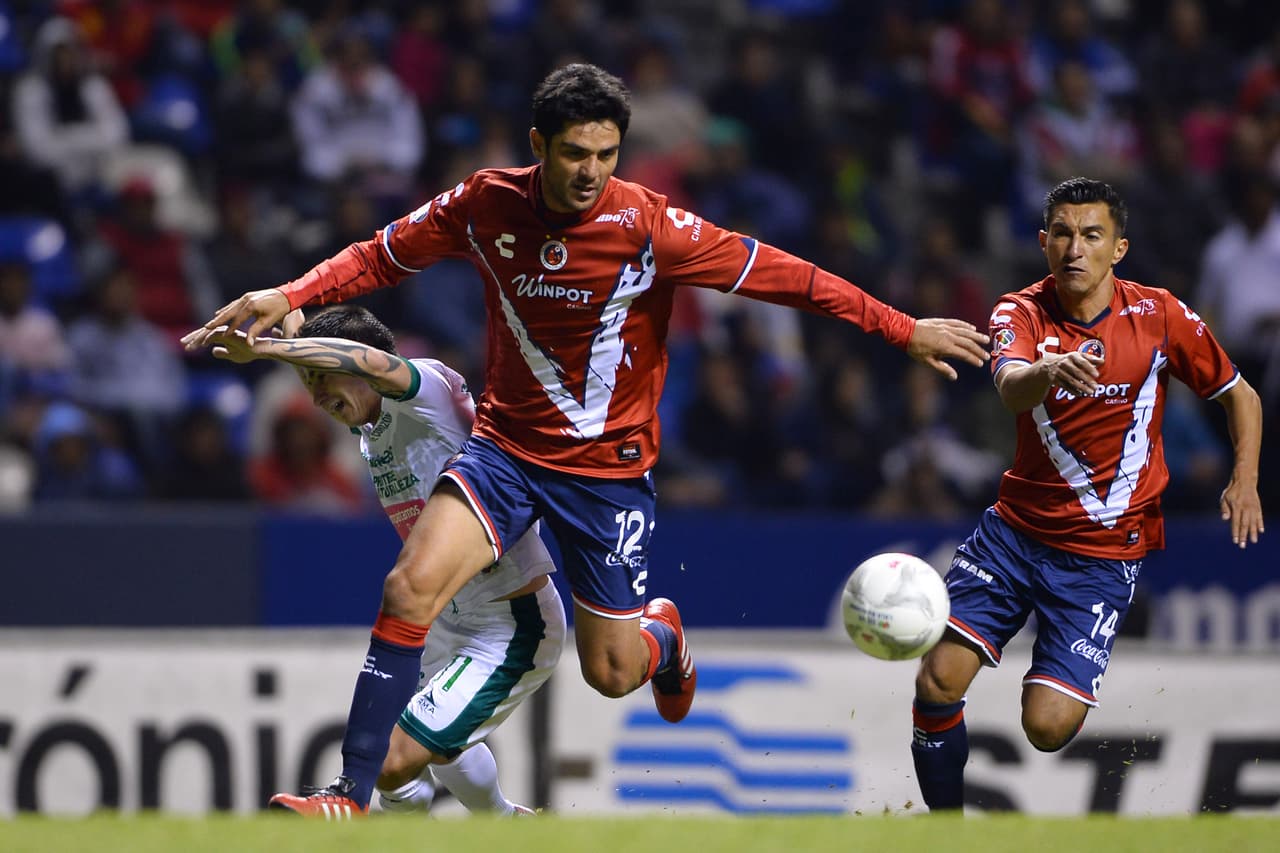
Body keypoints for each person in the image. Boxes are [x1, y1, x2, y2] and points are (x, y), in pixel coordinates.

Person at [184, 62, 990, 817]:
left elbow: (787, 275)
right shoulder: (485, 203)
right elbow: (381, 255)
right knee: (407, 588)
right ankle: (348, 794)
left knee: (611, 672)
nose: (590, 171)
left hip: (607, 475)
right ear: (538, 145)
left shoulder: (651, 226)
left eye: (607, 153)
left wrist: (902, 327)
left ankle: (661, 632)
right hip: (504, 450)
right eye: (574, 152)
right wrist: (288, 292)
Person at [909, 177, 1265, 812]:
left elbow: (1241, 394)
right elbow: (1011, 384)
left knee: (1046, 728)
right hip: (1014, 534)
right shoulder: (1017, 312)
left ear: (1118, 248)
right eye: (1064, 234)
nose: (1076, 248)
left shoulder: (1159, 316)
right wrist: (1045, 372)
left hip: (1101, 556)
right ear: (1044, 242)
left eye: (1092, 235)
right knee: (937, 679)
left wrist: (1245, 478)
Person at [209, 304, 563, 817]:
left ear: (362, 361)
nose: (315, 395)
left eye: (322, 376)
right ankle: (512, 829)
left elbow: (372, 365)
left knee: (393, 760)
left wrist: (270, 348)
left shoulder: (428, 393)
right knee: (435, 753)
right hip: (444, 619)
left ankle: (363, 811)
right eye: (307, 382)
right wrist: (291, 310)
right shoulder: (369, 427)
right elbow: (344, 365)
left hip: (510, 625)